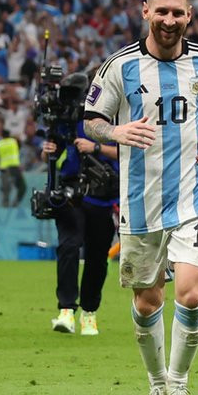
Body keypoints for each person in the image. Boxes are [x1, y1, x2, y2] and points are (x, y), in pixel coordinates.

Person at [82, 0, 198, 395]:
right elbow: (91, 120)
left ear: (190, 16)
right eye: (160, 11)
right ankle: (157, 386)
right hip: (141, 203)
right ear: (145, 12)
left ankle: (179, 387)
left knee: (190, 291)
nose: (168, 20)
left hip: (195, 197)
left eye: (177, 12)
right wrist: (117, 131)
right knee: (148, 302)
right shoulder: (119, 67)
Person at [41, 123, 119, 336]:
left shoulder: (117, 114)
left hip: (104, 194)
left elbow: (127, 151)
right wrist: (47, 152)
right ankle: (66, 309)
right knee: (69, 245)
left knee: (97, 256)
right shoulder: (67, 115)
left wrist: (95, 148)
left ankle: (89, 312)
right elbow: (51, 155)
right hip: (70, 192)